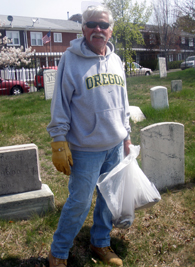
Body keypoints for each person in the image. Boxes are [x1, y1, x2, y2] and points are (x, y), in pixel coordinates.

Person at [46, 5, 132, 267]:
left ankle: (100, 242)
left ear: (110, 30)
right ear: (83, 29)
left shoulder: (116, 60)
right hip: (85, 149)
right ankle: (58, 252)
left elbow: (123, 101)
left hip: (115, 146)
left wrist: (126, 136)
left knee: (108, 199)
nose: (98, 29)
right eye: (92, 24)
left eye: (103, 25)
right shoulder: (70, 59)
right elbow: (60, 102)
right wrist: (59, 140)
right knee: (80, 203)